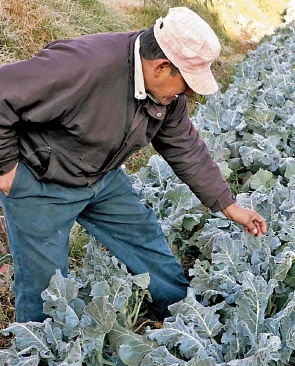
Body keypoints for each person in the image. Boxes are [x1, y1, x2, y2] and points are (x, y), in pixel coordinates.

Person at [0, 7, 266, 323]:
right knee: (45, 289)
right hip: (42, 183)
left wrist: (228, 205)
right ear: (162, 66)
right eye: (187, 84)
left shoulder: (167, 97)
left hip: (101, 178)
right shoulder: (83, 64)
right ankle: (39, 362)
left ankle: (186, 318)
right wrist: (6, 171)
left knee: (147, 244)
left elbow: (185, 147)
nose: (189, 94)